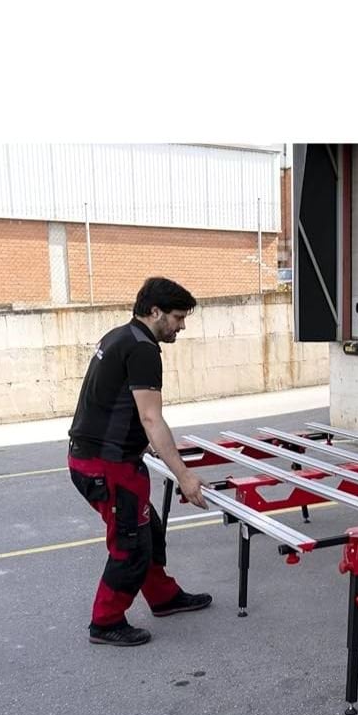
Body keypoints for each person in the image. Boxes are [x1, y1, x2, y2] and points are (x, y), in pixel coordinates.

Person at [67, 276, 212, 646]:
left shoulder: (120, 336)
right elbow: (151, 417)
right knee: (130, 541)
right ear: (155, 312)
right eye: (178, 317)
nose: (182, 326)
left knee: (147, 529)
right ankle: (105, 622)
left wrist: (142, 444)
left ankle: (163, 597)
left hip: (101, 458)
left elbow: (114, 403)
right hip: (107, 465)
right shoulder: (143, 349)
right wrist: (184, 476)